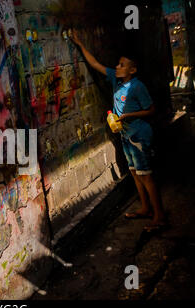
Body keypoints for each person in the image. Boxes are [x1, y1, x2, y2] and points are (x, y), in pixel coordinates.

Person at [70, 29, 167, 232]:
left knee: (146, 175)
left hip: (139, 134)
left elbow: (151, 110)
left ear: (132, 70)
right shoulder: (116, 78)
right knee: (134, 173)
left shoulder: (137, 87)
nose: (117, 66)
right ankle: (146, 208)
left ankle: (160, 217)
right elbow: (95, 64)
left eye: (122, 65)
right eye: (118, 64)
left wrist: (128, 117)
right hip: (125, 135)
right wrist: (79, 44)